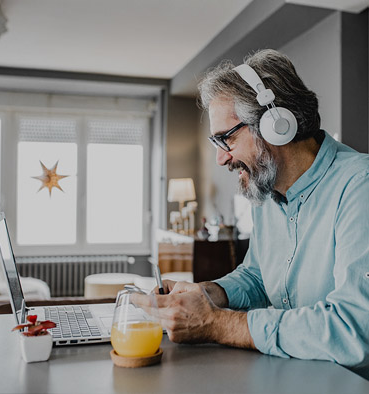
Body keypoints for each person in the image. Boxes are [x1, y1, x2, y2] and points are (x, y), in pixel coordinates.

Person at [135, 49, 369, 369]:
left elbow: (353, 329)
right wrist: (207, 294)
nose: (221, 158)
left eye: (225, 139)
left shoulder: (359, 187)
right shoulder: (267, 189)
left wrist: (215, 324)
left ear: (275, 124)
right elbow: (258, 277)